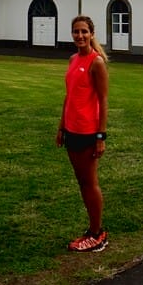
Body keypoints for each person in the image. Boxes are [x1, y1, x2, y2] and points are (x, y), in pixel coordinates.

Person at [56, 15, 110, 252]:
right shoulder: (72, 59)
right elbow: (69, 97)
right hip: (71, 130)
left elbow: (103, 100)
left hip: (88, 132)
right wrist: (61, 127)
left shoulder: (96, 62)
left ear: (91, 34)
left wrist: (101, 136)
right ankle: (92, 230)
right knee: (82, 183)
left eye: (84, 32)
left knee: (90, 183)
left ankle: (97, 234)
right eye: (76, 32)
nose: (80, 36)